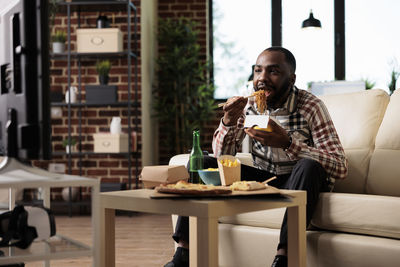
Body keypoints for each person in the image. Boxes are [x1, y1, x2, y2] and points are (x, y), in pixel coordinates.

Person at [164, 47, 348, 267]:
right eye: (258, 71)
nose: (262, 79)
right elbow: (223, 158)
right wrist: (228, 121)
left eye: (273, 72)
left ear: (292, 78)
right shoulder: (250, 105)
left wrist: (288, 143)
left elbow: (340, 166)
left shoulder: (311, 106)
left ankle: (284, 257)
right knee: (205, 162)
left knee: (308, 166)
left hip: (299, 181)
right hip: (263, 181)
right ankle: (182, 255)